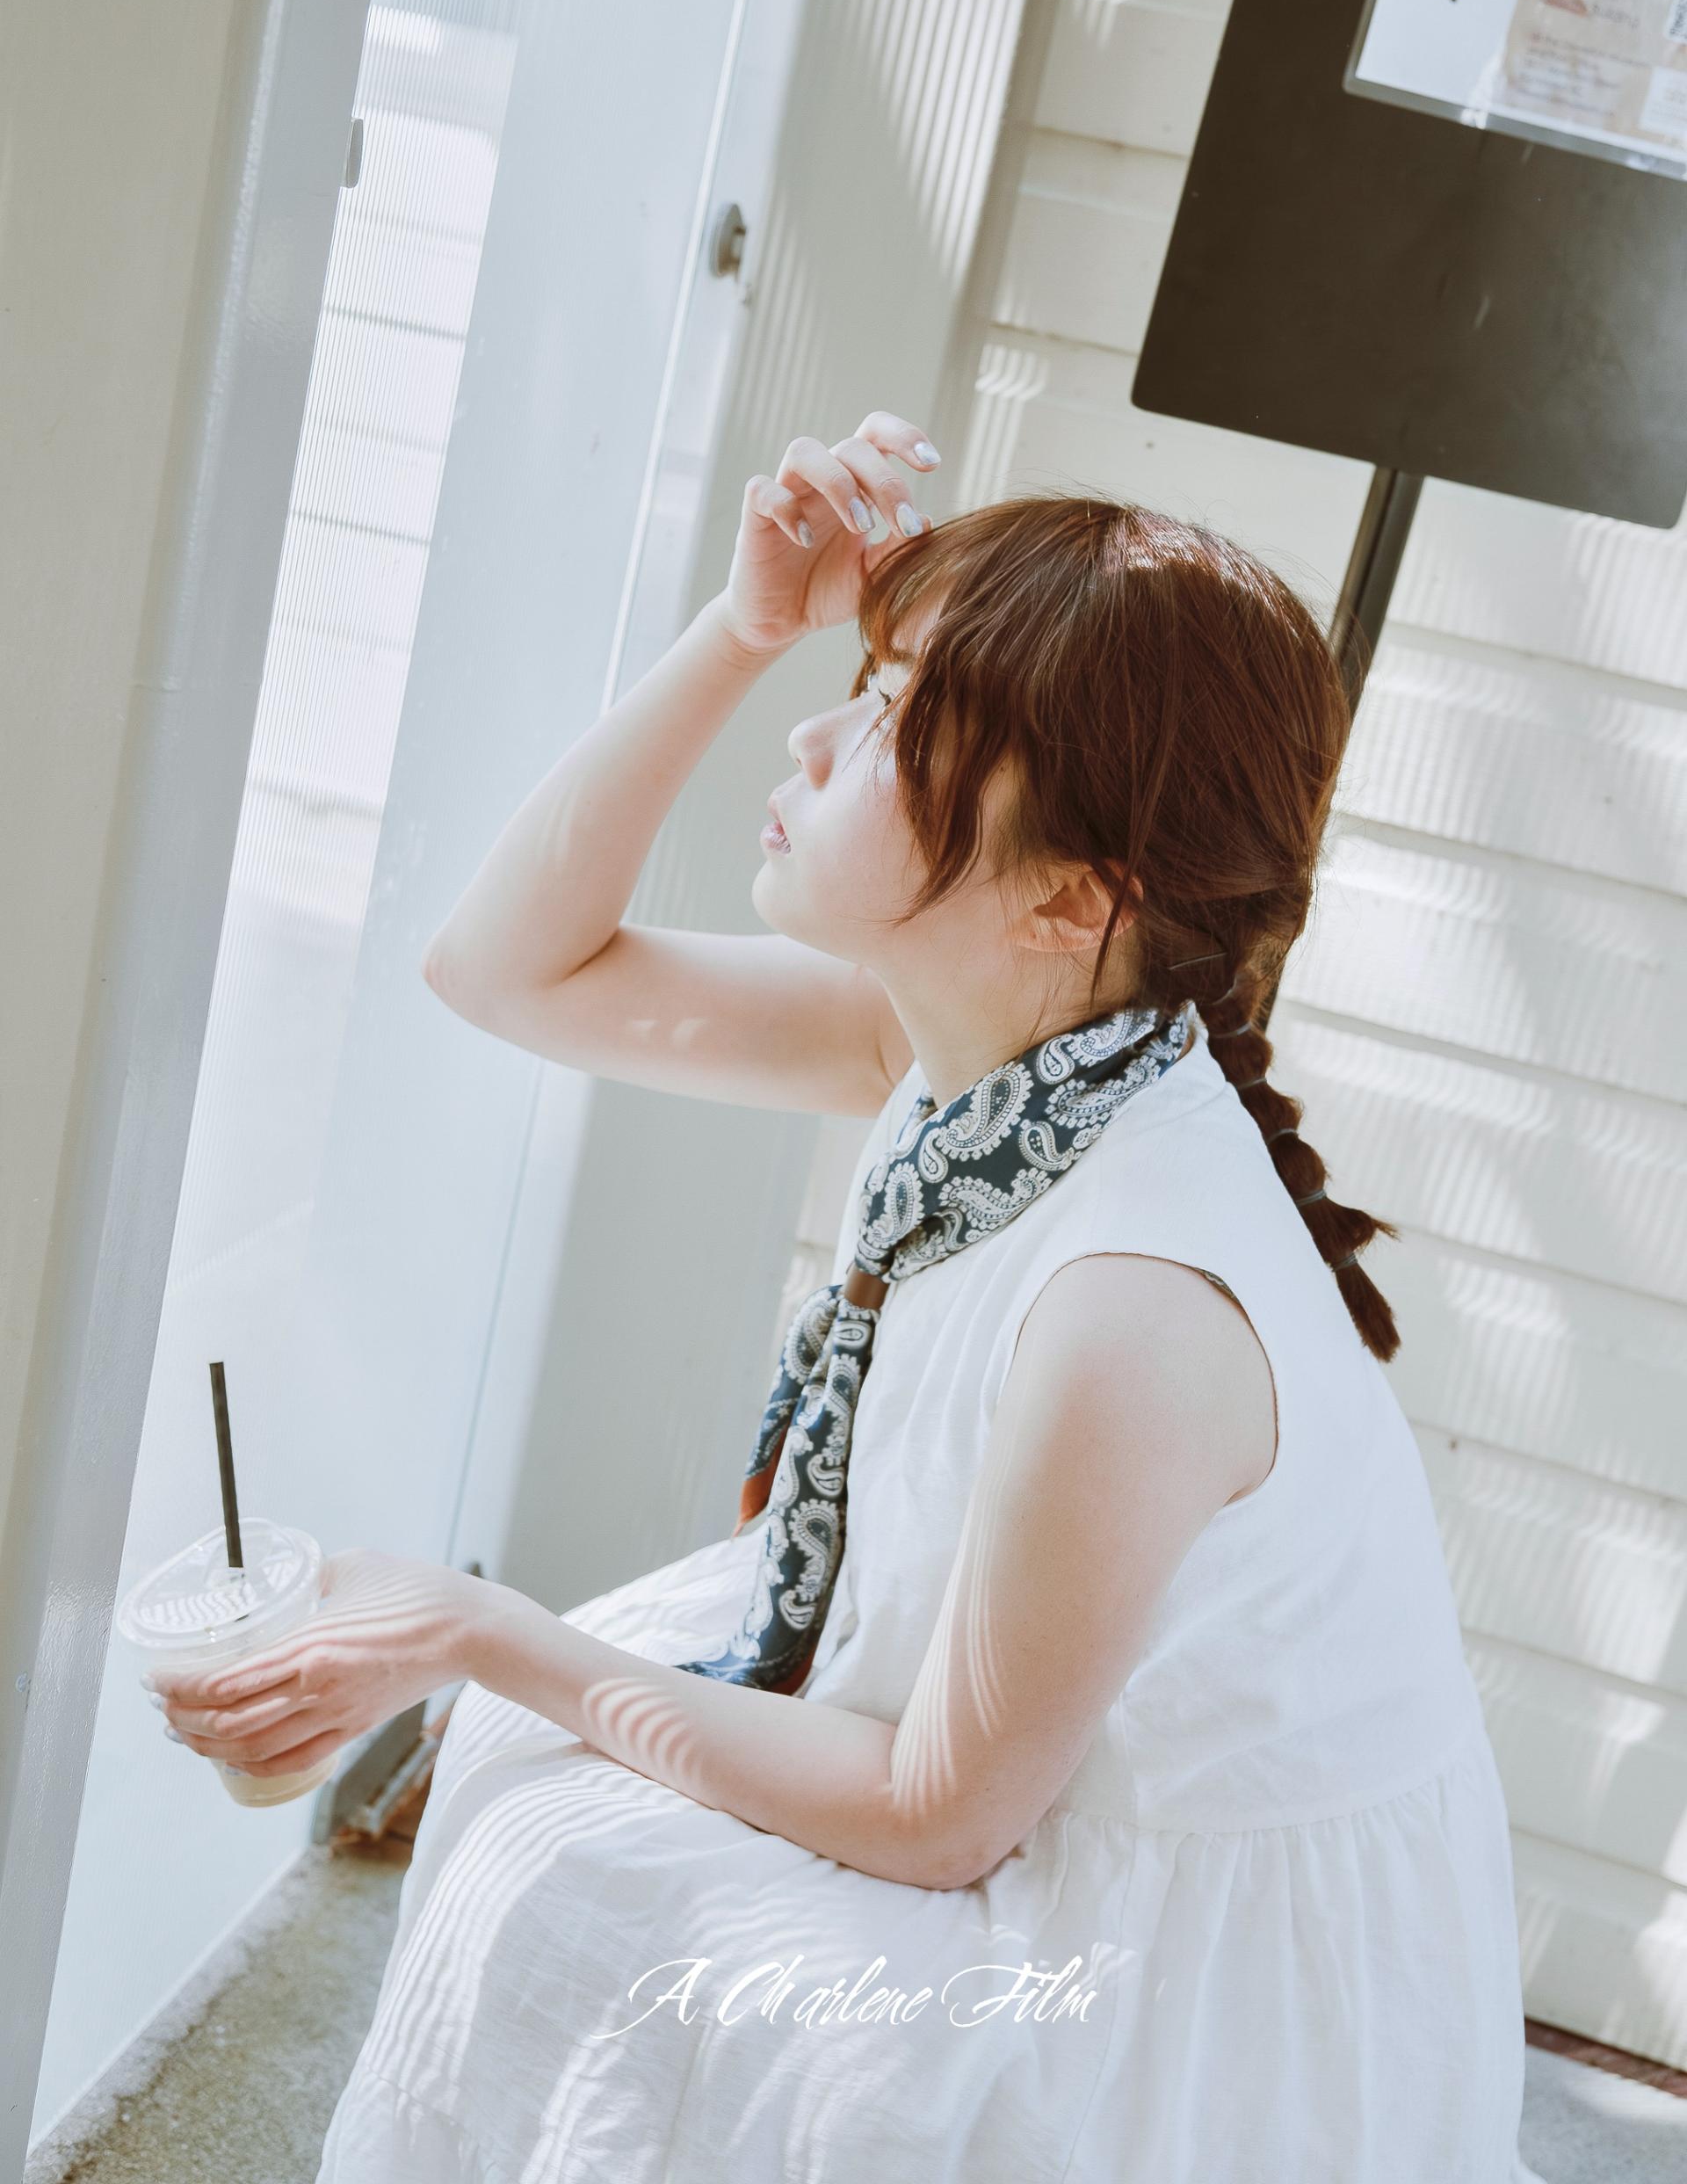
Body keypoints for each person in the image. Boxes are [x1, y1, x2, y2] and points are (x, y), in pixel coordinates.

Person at [153, 414, 1544, 2181]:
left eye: (887, 719)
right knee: (543, 1788)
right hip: (1012, 1779)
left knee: (562, 1831)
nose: (812, 734)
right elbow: (499, 968)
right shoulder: (977, 1052)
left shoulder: (1133, 1310)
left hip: (1172, 1973)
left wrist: (472, 1626)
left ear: (1070, 897)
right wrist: (742, 626)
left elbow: (937, 1818)